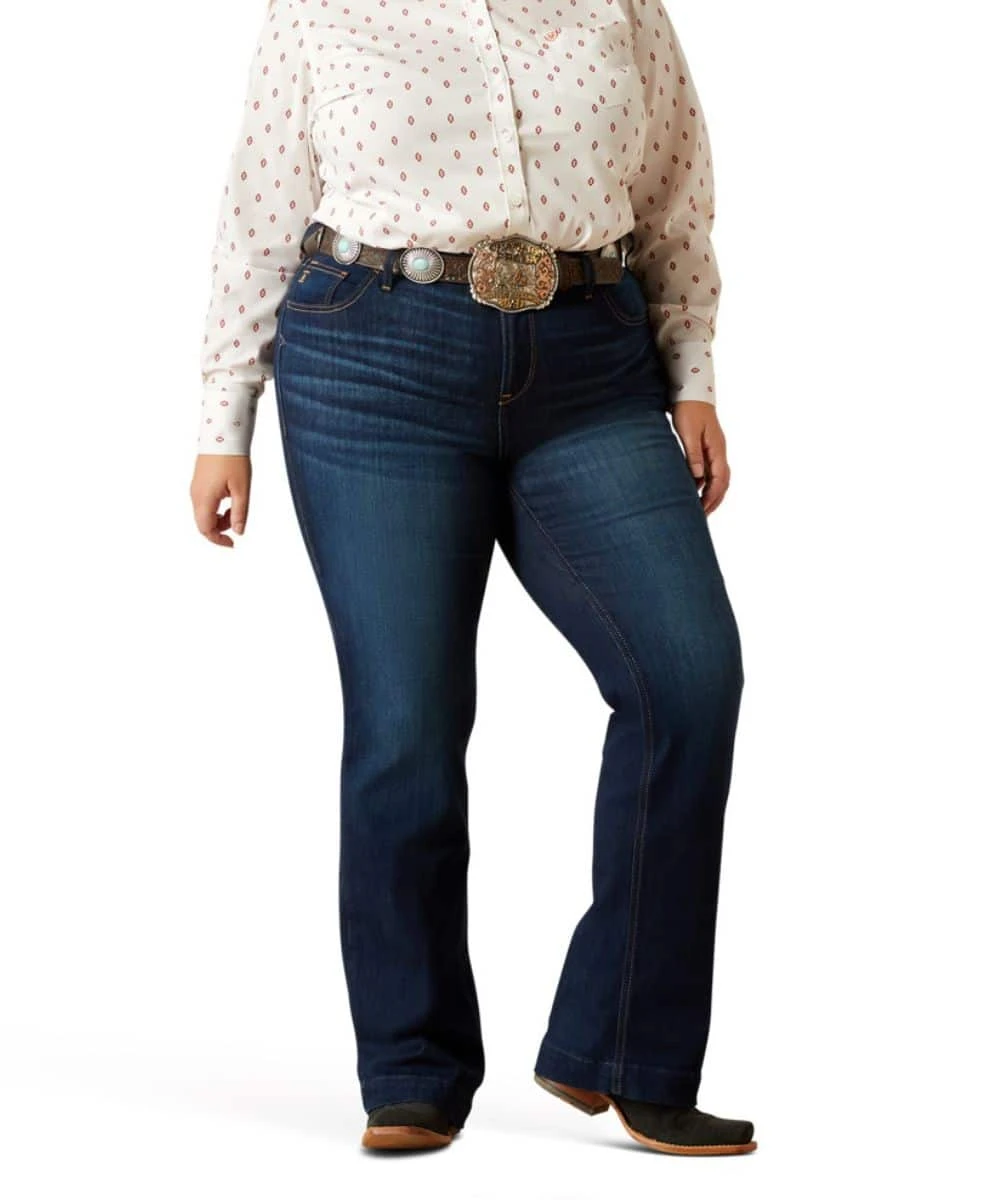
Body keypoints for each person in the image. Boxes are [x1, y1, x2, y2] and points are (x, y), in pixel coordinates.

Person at [189, 0, 755, 1157]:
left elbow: (675, 184)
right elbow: (258, 206)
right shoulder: (320, 8)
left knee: (688, 678)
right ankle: (412, 1064)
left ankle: (626, 1053)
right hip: (373, 363)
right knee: (406, 723)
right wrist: (222, 418)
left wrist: (691, 371)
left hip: (593, 368)